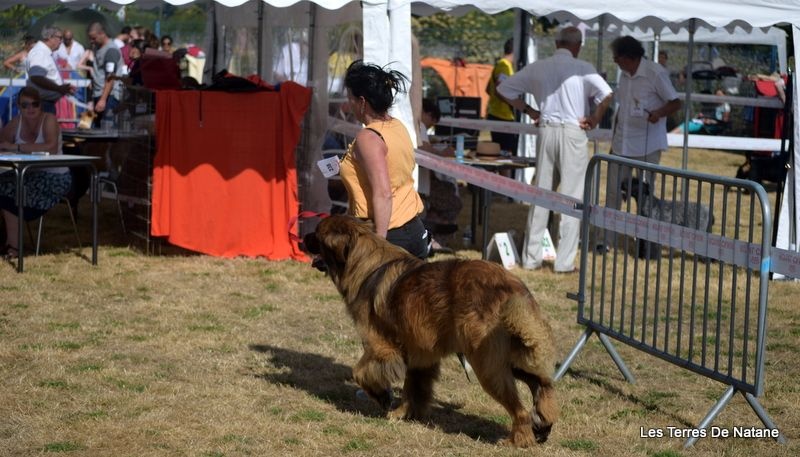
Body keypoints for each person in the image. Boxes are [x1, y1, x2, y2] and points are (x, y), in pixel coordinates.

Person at [498, 26, 613, 273]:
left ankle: (531, 258)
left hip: (546, 130)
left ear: (556, 43)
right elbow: (607, 94)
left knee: (540, 194)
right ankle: (564, 262)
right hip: (572, 132)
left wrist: (529, 111)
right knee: (572, 197)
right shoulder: (583, 68)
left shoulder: (538, 67)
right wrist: (595, 117)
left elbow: (503, 89)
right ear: (578, 45)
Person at [340, 60, 428, 259]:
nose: (349, 105)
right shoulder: (397, 126)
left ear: (362, 102)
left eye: (350, 99)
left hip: (388, 233)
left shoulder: (368, 138)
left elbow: (383, 193)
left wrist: (378, 244)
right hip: (412, 227)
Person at [603, 35, 681, 255]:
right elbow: (622, 109)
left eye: (616, 58)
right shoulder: (624, 76)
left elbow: (676, 102)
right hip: (621, 145)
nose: (615, 61)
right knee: (612, 193)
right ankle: (606, 241)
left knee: (646, 198)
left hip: (648, 146)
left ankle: (645, 244)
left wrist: (659, 113)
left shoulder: (655, 73)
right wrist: (613, 143)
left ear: (629, 57)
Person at [0, 87, 71, 260]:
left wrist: (15, 147)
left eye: (35, 104)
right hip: (27, 176)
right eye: (25, 105)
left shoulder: (49, 119)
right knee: (4, 186)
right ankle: (8, 242)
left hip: (55, 178)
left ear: (41, 105)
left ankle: (14, 247)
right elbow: (2, 142)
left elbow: (50, 148)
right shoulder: (16, 122)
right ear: (19, 106)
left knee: (7, 191)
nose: (30, 108)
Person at [418, 98, 461, 250]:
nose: (431, 126)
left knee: (448, 190)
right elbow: (424, 148)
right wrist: (442, 153)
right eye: (432, 122)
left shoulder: (414, 124)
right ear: (428, 114)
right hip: (421, 186)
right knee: (454, 203)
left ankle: (433, 235)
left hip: (423, 183)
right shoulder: (420, 125)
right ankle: (437, 238)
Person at [25, 26, 76, 115]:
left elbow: (44, 77)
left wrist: (63, 88)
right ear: (50, 37)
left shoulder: (44, 52)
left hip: (44, 104)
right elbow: (36, 77)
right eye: (60, 38)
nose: (61, 41)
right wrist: (58, 88)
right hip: (41, 104)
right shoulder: (40, 52)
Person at [87, 22, 125, 125]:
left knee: (107, 128)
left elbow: (110, 77)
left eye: (94, 38)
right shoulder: (97, 47)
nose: (91, 41)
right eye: (90, 38)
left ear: (102, 34)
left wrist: (103, 100)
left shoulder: (111, 51)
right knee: (96, 127)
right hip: (99, 94)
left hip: (109, 96)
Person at [485, 38, 519, 154]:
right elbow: (500, 90)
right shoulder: (504, 66)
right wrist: (515, 104)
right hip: (502, 116)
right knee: (505, 155)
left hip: (496, 114)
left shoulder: (500, 65)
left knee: (502, 153)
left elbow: (488, 89)